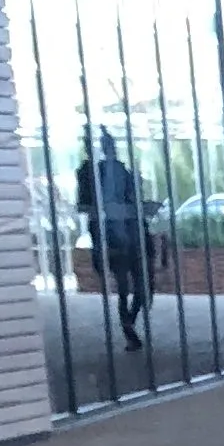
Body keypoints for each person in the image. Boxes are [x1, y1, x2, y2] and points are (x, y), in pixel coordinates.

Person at [74, 127, 150, 350]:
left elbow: (133, 197)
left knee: (140, 287)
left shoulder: (122, 171)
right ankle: (128, 328)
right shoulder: (88, 172)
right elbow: (84, 204)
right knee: (124, 286)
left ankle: (129, 323)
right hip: (110, 233)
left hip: (129, 230)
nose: (110, 150)